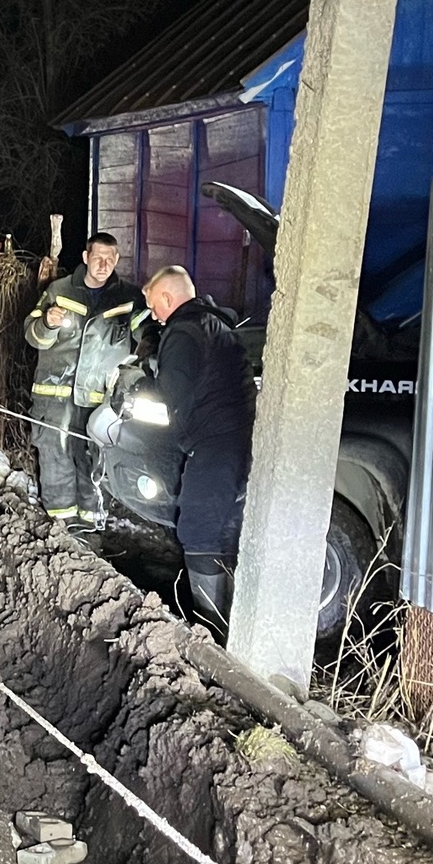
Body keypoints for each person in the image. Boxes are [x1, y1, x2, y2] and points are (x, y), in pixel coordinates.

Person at [142, 265, 256, 631]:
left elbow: (170, 395)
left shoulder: (183, 332)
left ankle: (212, 631)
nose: (154, 316)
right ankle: (230, 624)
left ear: (167, 298)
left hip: (216, 444)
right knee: (220, 529)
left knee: (198, 528)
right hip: (234, 438)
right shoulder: (213, 322)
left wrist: (135, 387)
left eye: (153, 306)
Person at [23, 231, 146, 541]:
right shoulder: (59, 290)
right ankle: (61, 528)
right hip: (54, 397)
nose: (103, 264)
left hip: (98, 400)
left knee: (94, 458)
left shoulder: (128, 300)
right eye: (97, 257)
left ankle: (90, 527)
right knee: (55, 455)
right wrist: (47, 323)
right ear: (85, 257)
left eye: (110, 258)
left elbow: (148, 339)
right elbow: (33, 337)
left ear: (117, 260)